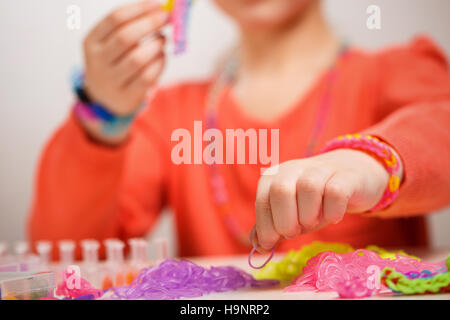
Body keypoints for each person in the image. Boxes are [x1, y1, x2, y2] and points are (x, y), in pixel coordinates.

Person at [28, 0, 450, 259]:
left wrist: (368, 162)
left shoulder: (395, 72)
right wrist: (103, 114)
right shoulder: (171, 115)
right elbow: (68, 252)